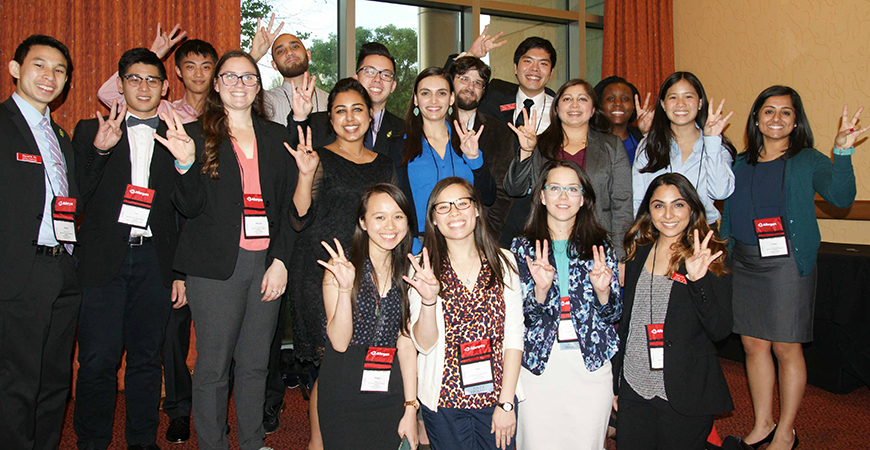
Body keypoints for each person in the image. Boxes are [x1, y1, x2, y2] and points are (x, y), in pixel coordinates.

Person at [155, 50, 296, 450]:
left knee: (254, 364)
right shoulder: (195, 134)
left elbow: (288, 207)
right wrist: (184, 164)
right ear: (216, 85)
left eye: (248, 77)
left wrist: (281, 261)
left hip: (265, 264)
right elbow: (188, 207)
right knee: (214, 369)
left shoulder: (275, 136)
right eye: (230, 77)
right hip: (215, 267)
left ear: (258, 85)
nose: (239, 85)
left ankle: (252, 442)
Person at [721, 86, 867, 450]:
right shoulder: (738, 162)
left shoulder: (808, 160)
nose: (776, 118)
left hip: (787, 262)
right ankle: (763, 423)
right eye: (768, 111)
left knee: (787, 347)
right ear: (756, 118)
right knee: (753, 345)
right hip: (745, 260)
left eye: (786, 112)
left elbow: (842, 197)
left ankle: (786, 431)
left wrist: (843, 151)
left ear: (796, 120)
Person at [72, 47, 183, 450]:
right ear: (119, 85)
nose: (143, 86)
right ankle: (91, 441)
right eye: (134, 79)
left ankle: (141, 441)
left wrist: (180, 274)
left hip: (155, 263)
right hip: (103, 262)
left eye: (152, 80)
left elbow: (185, 212)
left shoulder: (179, 139)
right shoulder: (90, 130)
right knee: (97, 361)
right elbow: (76, 197)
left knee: (145, 361)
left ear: (165, 88)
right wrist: (101, 150)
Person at [286, 78, 396, 448]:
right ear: (330, 119)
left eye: (357, 110)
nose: (350, 119)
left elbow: (393, 217)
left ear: (370, 115)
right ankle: (319, 442)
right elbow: (299, 216)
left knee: (360, 361)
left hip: (370, 274)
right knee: (328, 369)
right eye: (340, 111)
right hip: (320, 273)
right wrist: (304, 175)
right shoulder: (318, 156)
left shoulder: (384, 164)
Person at [0, 34, 81, 450]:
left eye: (60, 70)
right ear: (15, 70)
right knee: (17, 383)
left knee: (54, 381)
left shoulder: (60, 136)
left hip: (62, 267)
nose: (50, 76)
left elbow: (69, 199)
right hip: (19, 273)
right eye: (39, 65)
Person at [615, 173, 733, 450]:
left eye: (678, 205)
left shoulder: (707, 256)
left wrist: (698, 280)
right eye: (659, 205)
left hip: (683, 388)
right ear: (649, 211)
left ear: (692, 209)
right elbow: (628, 324)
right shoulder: (638, 252)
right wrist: (617, 383)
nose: (668, 214)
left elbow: (720, 330)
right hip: (634, 385)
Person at [511, 160, 621, 449]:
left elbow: (614, 314)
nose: (563, 197)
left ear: (583, 199)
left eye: (572, 189)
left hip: (589, 366)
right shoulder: (522, 247)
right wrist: (540, 291)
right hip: (539, 366)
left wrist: (603, 293)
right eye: (555, 188)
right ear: (542, 196)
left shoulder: (600, 245)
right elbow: (518, 318)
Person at [407, 177, 523, 450]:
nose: (455, 213)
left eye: (462, 203)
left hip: (497, 397)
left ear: (477, 209)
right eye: (443, 207)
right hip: (445, 400)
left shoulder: (504, 262)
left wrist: (506, 402)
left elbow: (514, 337)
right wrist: (428, 301)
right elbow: (423, 345)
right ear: (433, 218)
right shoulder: (422, 270)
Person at [316, 184, 419, 450]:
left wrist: (410, 407)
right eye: (379, 217)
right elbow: (339, 342)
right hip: (343, 386)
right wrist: (345, 287)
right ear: (362, 222)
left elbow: (405, 342)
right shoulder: (342, 268)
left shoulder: (409, 270)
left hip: (389, 386)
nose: (390, 226)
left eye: (398, 216)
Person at [504, 79, 632, 280]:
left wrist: (620, 256)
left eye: (582, 99)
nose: (574, 105)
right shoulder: (541, 145)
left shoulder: (612, 146)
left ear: (592, 109)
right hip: (548, 248)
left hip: (598, 248)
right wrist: (527, 151)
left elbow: (622, 205)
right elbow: (515, 188)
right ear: (556, 108)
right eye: (567, 99)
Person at [390, 67, 496, 252]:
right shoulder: (399, 146)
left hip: (468, 242)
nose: (433, 100)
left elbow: (488, 197)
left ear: (452, 99)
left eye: (441, 93)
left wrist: (474, 158)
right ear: (415, 99)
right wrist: (413, 246)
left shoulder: (467, 140)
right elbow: (395, 202)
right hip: (420, 246)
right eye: (425, 93)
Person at [631, 71, 735, 224]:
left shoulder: (717, 146)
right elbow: (638, 200)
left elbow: (720, 193)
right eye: (673, 97)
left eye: (688, 96)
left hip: (702, 232)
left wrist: (711, 141)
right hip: (659, 232)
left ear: (700, 103)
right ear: (663, 104)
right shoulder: (649, 145)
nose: (681, 103)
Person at [446, 56, 516, 246]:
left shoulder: (500, 133)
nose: (470, 86)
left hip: (480, 237)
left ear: (484, 91)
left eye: (478, 83)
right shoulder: (433, 125)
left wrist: (487, 236)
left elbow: (502, 194)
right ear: (451, 82)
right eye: (464, 79)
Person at [289, 42, 405, 156]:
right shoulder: (319, 124)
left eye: (385, 75)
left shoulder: (403, 130)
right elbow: (292, 152)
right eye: (369, 72)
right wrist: (300, 117)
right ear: (356, 78)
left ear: (393, 86)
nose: (377, 79)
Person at [98, 23, 218, 123]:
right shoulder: (162, 109)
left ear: (215, 71)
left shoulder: (224, 111)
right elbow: (106, 94)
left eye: (206, 67)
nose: (198, 74)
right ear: (179, 71)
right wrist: (152, 56)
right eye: (190, 67)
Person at [594, 76, 651, 165]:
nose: (618, 103)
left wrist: (647, 134)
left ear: (633, 106)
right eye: (610, 98)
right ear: (600, 105)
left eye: (625, 99)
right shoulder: (589, 139)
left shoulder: (643, 137)